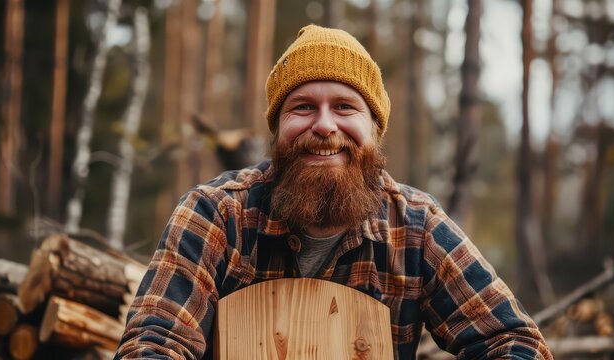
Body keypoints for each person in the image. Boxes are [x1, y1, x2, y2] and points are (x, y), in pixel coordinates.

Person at [115, 24, 552, 359]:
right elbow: (155, 340)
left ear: (374, 129)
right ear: (277, 128)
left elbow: (510, 340)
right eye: (303, 107)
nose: (324, 126)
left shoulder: (416, 228)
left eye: (345, 107)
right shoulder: (216, 214)